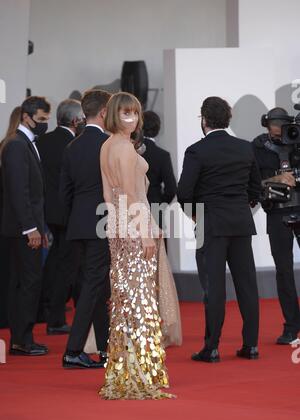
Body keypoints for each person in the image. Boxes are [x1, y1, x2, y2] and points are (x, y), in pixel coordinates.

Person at [99, 92, 176, 400]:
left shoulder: (106, 146)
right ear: (115, 115)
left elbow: (108, 196)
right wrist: (145, 233)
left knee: (123, 301)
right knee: (140, 302)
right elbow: (132, 196)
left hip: (116, 226)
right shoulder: (127, 150)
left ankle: (123, 371)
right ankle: (141, 375)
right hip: (132, 228)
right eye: (126, 114)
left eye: (135, 114)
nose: (131, 120)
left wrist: (121, 226)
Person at [178, 96, 261, 362]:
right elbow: (255, 189)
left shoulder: (196, 151)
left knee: (213, 287)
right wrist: (240, 208)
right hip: (240, 223)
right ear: (228, 118)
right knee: (247, 285)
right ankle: (251, 346)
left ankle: (211, 347)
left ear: (203, 119)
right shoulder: (245, 148)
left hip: (209, 223)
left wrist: (194, 214)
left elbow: (184, 192)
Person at [60, 89, 111, 369]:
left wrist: (73, 221)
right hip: (102, 224)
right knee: (94, 286)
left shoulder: (73, 146)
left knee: (98, 286)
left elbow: (63, 193)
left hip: (78, 225)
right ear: (104, 112)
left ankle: (104, 348)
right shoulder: (109, 144)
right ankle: (73, 350)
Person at [1, 96, 51, 356]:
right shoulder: (17, 146)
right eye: (41, 120)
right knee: (27, 283)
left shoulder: (25, 144)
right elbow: (19, 193)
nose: (44, 124)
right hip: (21, 230)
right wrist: (30, 228)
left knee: (25, 282)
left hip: (28, 227)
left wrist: (38, 227)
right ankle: (22, 339)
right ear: (26, 117)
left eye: (46, 119)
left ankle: (22, 337)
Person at [37, 99, 85, 335]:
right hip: (70, 213)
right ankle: (55, 318)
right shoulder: (75, 144)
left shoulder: (41, 141)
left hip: (48, 212)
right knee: (67, 265)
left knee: (56, 261)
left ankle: (48, 309)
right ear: (76, 121)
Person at [252, 107, 300, 344]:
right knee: (284, 271)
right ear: (266, 124)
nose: (279, 129)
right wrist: (277, 179)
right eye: (274, 124)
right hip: (276, 213)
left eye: (283, 124)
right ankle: (292, 326)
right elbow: (252, 183)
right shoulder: (258, 147)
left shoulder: (297, 140)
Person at [0, 106, 21, 328]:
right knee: (13, 273)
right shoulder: (16, 147)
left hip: (6, 217)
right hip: (13, 219)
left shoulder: (4, 146)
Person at [142, 110, 177, 229]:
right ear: (158, 129)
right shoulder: (162, 155)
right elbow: (171, 188)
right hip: (155, 209)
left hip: (131, 208)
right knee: (156, 246)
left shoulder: (130, 152)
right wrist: (160, 203)